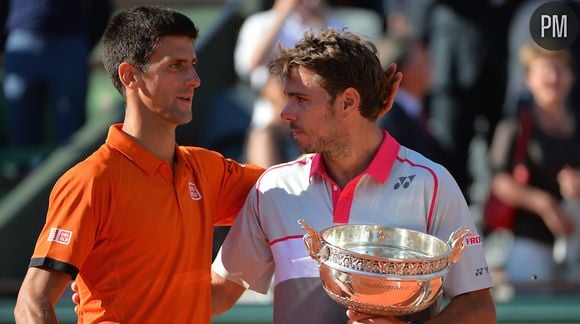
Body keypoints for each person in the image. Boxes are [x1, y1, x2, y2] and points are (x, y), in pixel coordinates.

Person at [211, 28, 495, 323]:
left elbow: (479, 307)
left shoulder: (431, 183)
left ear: (348, 102)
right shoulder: (274, 187)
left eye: (300, 99)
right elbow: (219, 290)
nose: (286, 112)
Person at [13, 6, 263, 323]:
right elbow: (32, 302)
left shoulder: (207, 169)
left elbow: (291, 185)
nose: (195, 80)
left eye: (193, 65)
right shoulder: (92, 180)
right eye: (177, 66)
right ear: (130, 75)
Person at [487, 43, 580, 282]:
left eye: (559, 69)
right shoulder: (516, 125)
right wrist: (544, 204)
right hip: (529, 242)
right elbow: (499, 181)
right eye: (545, 70)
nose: (553, 77)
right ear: (529, 78)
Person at [2, 0, 112, 147]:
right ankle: (25, 168)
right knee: (22, 129)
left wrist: (85, 41)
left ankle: (69, 169)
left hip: (68, 42)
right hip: (23, 40)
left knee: (71, 135)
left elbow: (101, 6)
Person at [376, 35, 448, 167]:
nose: (431, 67)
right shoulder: (389, 118)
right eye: (424, 62)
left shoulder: (417, 111)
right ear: (406, 72)